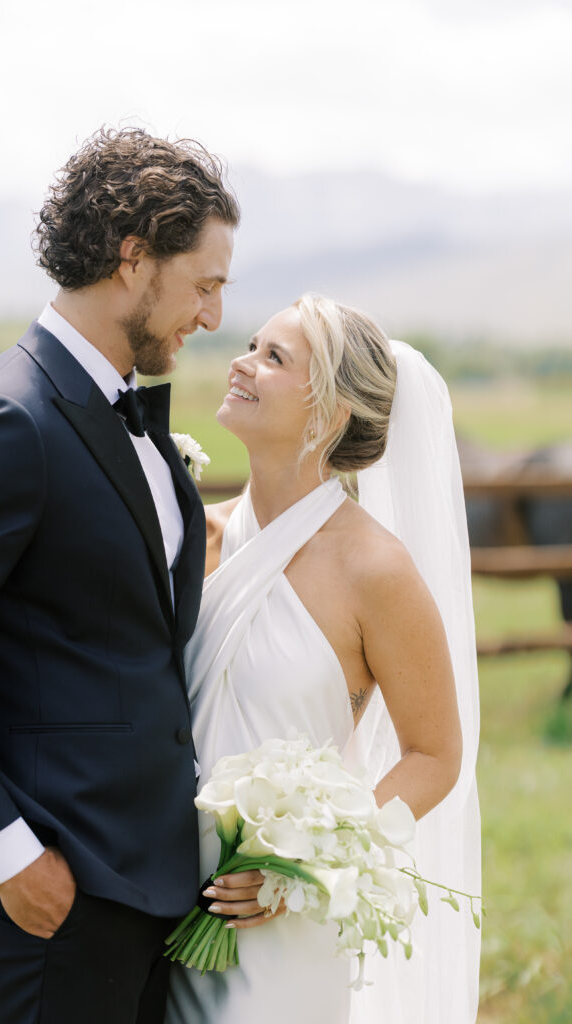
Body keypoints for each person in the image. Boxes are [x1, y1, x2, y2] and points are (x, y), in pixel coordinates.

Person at [0, 127, 238, 1024]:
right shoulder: (1, 421)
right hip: (53, 894)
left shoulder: (131, 417)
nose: (210, 317)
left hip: (151, 885)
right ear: (133, 258)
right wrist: (5, 856)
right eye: (203, 285)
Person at [166, 295, 481, 1024]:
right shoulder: (194, 537)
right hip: (158, 894)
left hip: (281, 923)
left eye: (273, 357)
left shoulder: (375, 569)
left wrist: (302, 864)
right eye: (251, 345)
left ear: (331, 412)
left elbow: (434, 754)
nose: (241, 362)